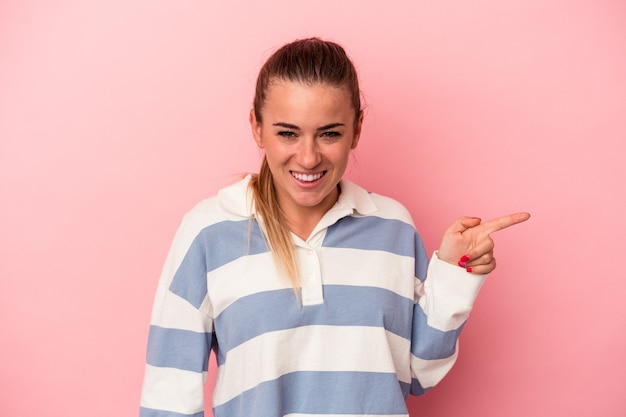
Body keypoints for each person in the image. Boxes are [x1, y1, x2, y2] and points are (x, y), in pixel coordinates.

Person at [139, 37, 530, 417]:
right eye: (287, 133)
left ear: (356, 129)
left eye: (329, 133)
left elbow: (420, 373)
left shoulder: (391, 226)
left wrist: (452, 273)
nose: (308, 157)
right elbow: (168, 393)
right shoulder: (208, 231)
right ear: (257, 128)